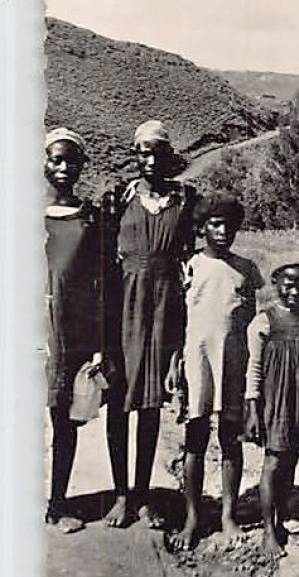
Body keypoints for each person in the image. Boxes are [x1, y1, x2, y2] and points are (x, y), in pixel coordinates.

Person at [106, 120, 196, 530]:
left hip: (165, 306)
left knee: (150, 403)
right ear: (134, 155)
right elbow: (105, 262)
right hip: (124, 306)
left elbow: (188, 258)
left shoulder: (184, 199)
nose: (149, 159)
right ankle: (121, 494)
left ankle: (143, 495)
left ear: (168, 156)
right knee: (121, 400)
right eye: (142, 152)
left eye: (157, 152)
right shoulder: (117, 198)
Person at [168, 193, 263, 550]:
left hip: (233, 361)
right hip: (197, 360)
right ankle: (192, 517)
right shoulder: (189, 265)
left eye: (231, 225)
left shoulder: (246, 269)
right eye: (216, 224)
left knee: (230, 438)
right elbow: (179, 319)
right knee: (195, 437)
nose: (224, 231)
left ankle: (228, 515)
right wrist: (174, 360)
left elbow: (251, 322)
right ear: (203, 227)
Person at [44, 128, 109, 532]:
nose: (64, 167)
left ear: (83, 165)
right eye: (56, 159)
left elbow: (101, 282)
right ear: (44, 164)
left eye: (71, 160)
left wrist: (99, 342)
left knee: (64, 421)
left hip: (72, 333)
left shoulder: (91, 218)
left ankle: (57, 502)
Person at [245, 261, 299, 559]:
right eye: (288, 284)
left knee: (290, 460)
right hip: (274, 398)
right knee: (274, 461)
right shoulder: (264, 321)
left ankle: (281, 522)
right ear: (275, 283)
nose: (294, 290)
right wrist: (253, 407)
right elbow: (253, 368)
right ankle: (267, 530)